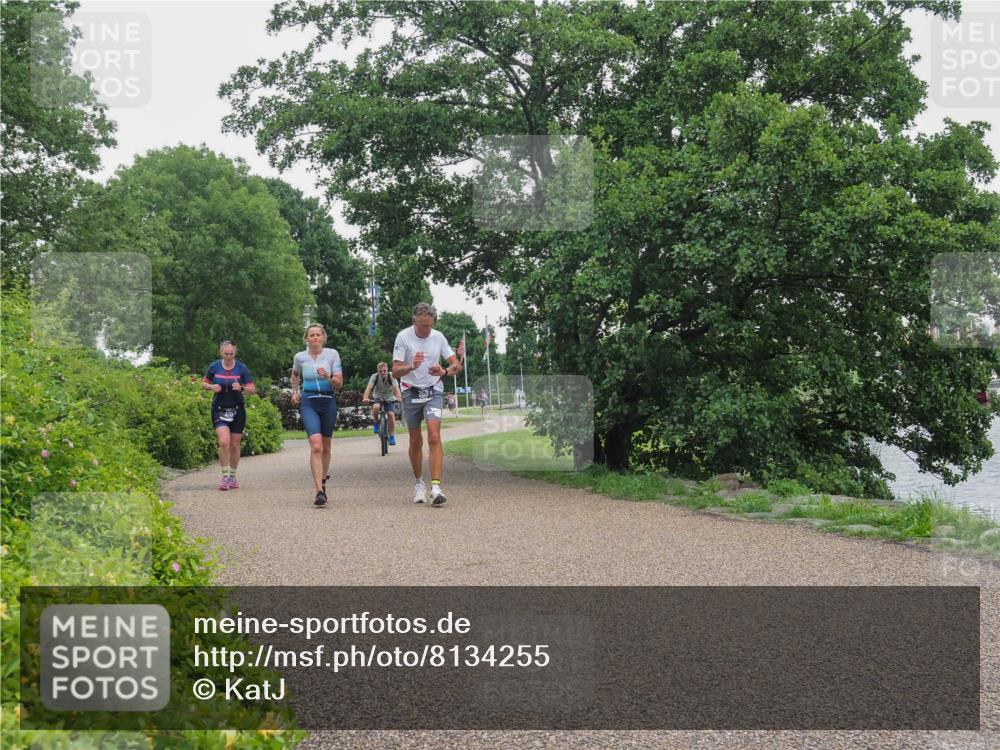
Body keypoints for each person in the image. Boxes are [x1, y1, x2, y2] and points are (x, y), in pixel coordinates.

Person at [392, 302, 462, 505]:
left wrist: (445, 371)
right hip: (410, 391)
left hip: (433, 391)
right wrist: (411, 366)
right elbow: (395, 370)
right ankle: (418, 483)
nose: (426, 330)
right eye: (422, 326)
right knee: (416, 441)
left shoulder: (438, 337)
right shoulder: (403, 337)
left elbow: (456, 364)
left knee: (433, 435)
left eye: (429, 326)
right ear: (414, 321)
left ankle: (436, 486)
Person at [291, 324, 343, 506]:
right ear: (306, 339)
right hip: (309, 402)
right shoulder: (300, 357)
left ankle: (323, 483)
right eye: (311, 335)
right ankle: (318, 491)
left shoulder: (332, 354)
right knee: (316, 446)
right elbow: (295, 374)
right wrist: (295, 392)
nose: (314, 338)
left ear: (323, 338)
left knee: (326, 447)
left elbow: (339, 384)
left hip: (328, 402)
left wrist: (328, 376)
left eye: (317, 335)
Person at [202, 340, 256, 490]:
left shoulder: (242, 368)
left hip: (238, 409)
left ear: (235, 352)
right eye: (226, 354)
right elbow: (204, 383)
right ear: (221, 352)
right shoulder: (214, 366)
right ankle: (225, 477)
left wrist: (242, 387)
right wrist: (211, 386)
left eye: (231, 354)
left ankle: (232, 476)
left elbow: (252, 389)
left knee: (234, 444)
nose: (229, 356)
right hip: (219, 408)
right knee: (224, 442)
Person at [362, 362, 403, 445]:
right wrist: (365, 398)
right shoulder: (374, 377)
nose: (383, 372)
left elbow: (396, 388)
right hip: (378, 397)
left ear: (387, 370)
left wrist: (399, 397)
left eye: (384, 370)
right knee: (376, 407)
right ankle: (376, 422)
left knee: (391, 414)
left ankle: (391, 436)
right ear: (378, 371)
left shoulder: (392, 376)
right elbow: (368, 388)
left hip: (390, 398)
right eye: (380, 371)